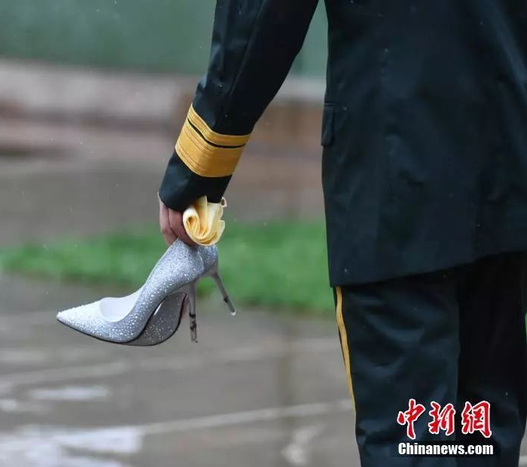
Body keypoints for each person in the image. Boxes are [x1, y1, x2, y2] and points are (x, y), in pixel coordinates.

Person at [157, 0, 527, 465]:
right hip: (508, 169)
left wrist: (198, 169)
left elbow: (260, 17)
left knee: (412, 445)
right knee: (482, 439)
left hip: (396, 182)